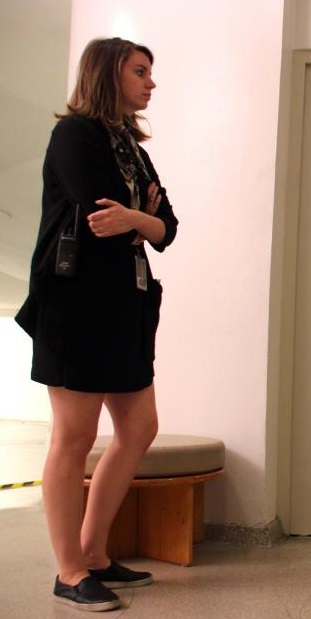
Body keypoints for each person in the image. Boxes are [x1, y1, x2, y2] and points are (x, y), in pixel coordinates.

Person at [14, 38, 178, 611]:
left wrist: (141, 219)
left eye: (150, 73)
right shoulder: (75, 135)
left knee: (139, 428)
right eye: (140, 72)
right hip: (75, 305)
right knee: (74, 438)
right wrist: (142, 216)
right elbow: (97, 211)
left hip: (124, 306)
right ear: (107, 73)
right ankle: (68, 571)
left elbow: (170, 228)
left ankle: (94, 551)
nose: (150, 83)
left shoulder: (129, 146)